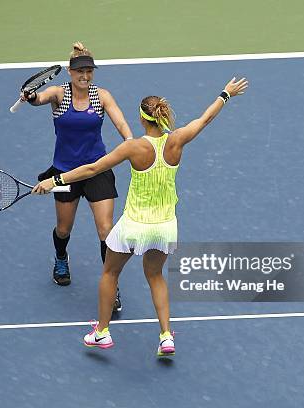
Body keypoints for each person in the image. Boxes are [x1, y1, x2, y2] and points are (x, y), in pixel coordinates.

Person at [33, 77, 249, 355]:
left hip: (134, 226)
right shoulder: (177, 140)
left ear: (141, 118)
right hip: (165, 227)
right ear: (161, 116)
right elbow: (205, 119)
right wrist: (225, 94)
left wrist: (56, 180)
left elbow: (91, 169)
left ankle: (101, 332)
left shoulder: (133, 148)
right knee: (156, 276)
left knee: (110, 272)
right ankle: (166, 336)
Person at [21, 42, 132, 313]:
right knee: (64, 229)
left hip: (98, 169)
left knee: (106, 231)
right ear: (70, 73)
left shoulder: (102, 96)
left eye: (89, 71)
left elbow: (119, 122)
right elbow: (41, 98)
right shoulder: (59, 94)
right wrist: (32, 97)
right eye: (80, 71)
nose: (85, 75)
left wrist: (130, 142)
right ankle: (61, 257)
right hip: (65, 172)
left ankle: (111, 285)